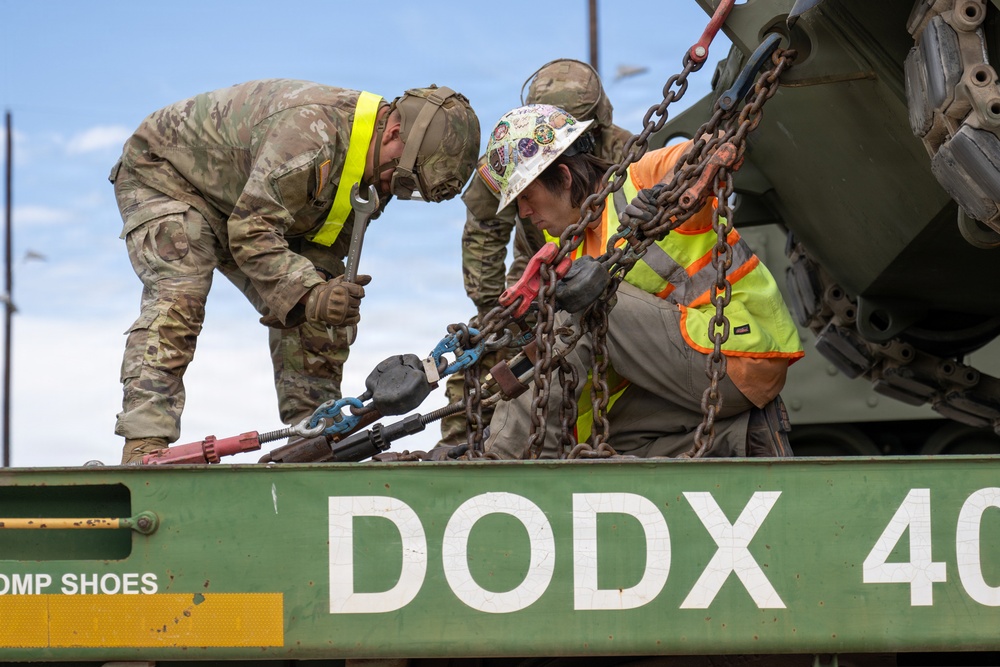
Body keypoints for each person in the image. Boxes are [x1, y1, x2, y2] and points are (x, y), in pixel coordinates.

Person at [110, 79, 480, 464]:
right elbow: (250, 230)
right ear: (394, 132)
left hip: (243, 204)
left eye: (411, 189)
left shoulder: (373, 172)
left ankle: (315, 443)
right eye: (404, 179)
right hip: (168, 179)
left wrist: (322, 296)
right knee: (180, 298)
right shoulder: (310, 138)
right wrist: (309, 293)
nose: (397, 191)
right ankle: (144, 444)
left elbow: (320, 248)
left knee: (320, 310)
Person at [480, 104, 805, 459]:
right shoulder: (569, 249)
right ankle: (743, 435)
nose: (524, 212)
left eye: (526, 195)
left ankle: (501, 463)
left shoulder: (639, 180)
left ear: (565, 176)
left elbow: (721, 145)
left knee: (586, 302)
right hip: (702, 373)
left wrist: (663, 195)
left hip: (734, 349)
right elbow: (576, 359)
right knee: (614, 445)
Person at [439, 59, 632, 446]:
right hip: (540, 266)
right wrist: (491, 305)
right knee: (486, 348)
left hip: (615, 261)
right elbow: (484, 232)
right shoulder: (515, 153)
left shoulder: (626, 151)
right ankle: (461, 444)